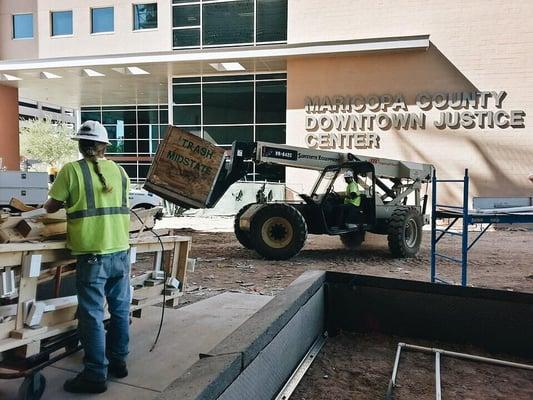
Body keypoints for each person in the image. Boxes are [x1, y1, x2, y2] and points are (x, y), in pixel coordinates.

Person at [44, 121, 131, 394]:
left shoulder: (71, 171)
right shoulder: (120, 171)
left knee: (92, 315)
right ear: (105, 146)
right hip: (120, 250)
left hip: (92, 253)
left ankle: (95, 374)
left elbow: (50, 207)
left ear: (81, 146)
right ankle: (118, 360)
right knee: (119, 309)